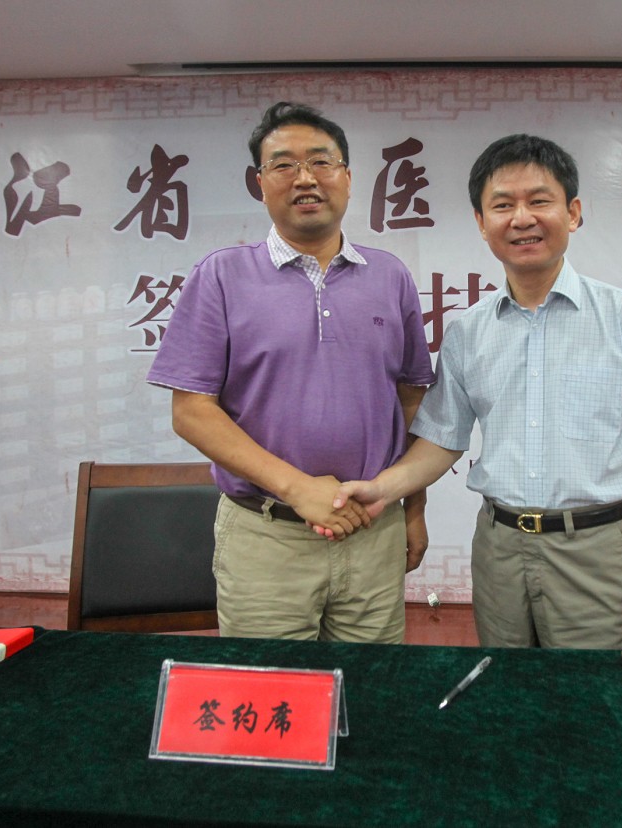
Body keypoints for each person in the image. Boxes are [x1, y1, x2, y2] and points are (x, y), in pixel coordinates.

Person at [328, 134, 622, 649]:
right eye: (502, 205)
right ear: (482, 223)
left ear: (573, 213)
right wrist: (382, 489)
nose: (522, 218)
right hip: (500, 551)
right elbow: (440, 442)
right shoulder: (467, 332)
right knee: (507, 690)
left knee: (599, 692)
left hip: (598, 552)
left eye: (539, 201)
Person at [146, 101, 436, 643]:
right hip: (266, 535)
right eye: (283, 165)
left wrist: (413, 509)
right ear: (260, 183)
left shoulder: (391, 277)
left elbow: (410, 402)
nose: (305, 178)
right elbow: (191, 413)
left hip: (373, 533)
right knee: (272, 688)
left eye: (321, 162)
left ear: (347, 176)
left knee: (373, 687)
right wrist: (298, 489)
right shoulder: (222, 276)